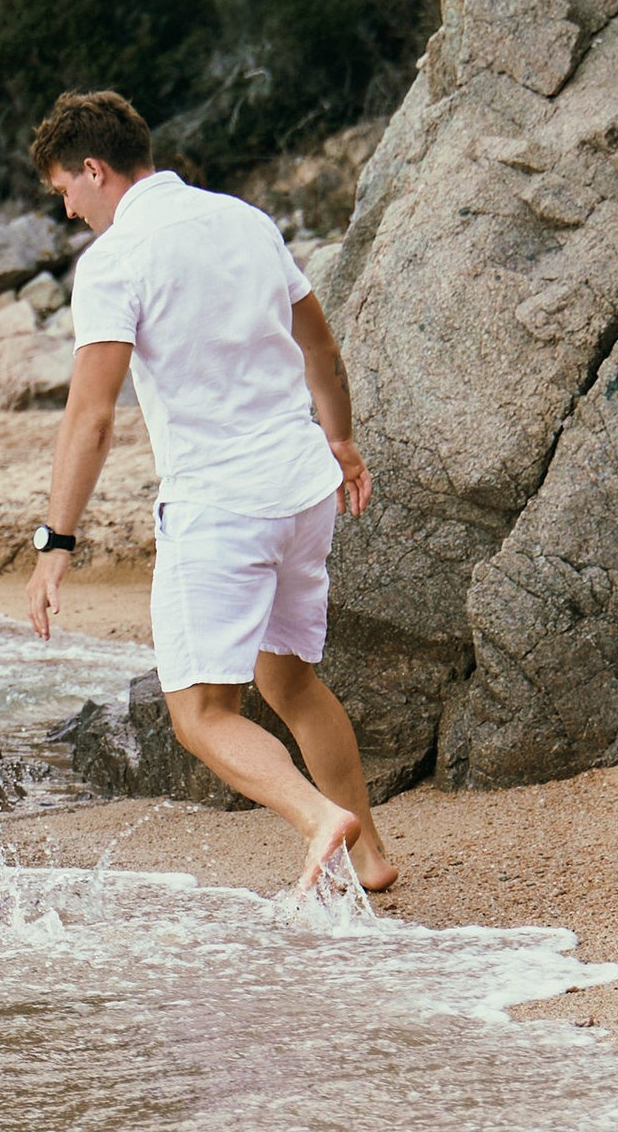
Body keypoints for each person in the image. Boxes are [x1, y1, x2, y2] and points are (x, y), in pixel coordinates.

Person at [23, 87, 396, 900]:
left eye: (65, 189)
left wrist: (56, 543)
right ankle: (370, 858)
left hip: (222, 505)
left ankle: (318, 818)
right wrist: (340, 440)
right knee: (290, 684)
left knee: (199, 715)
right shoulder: (246, 221)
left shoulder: (116, 260)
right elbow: (320, 345)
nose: (68, 209)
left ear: (95, 169)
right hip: (303, 488)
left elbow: (91, 418)